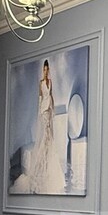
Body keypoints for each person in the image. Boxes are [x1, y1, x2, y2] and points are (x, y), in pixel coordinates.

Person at [24, 59, 66, 193]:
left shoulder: (50, 82)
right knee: (46, 135)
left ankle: (47, 160)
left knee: (49, 136)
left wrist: (53, 109)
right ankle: (41, 164)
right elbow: (40, 97)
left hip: (49, 110)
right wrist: (40, 111)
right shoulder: (41, 83)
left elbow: (51, 96)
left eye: (47, 69)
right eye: (44, 69)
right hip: (43, 111)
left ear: (49, 70)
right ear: (43, 70)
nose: (46, 71)